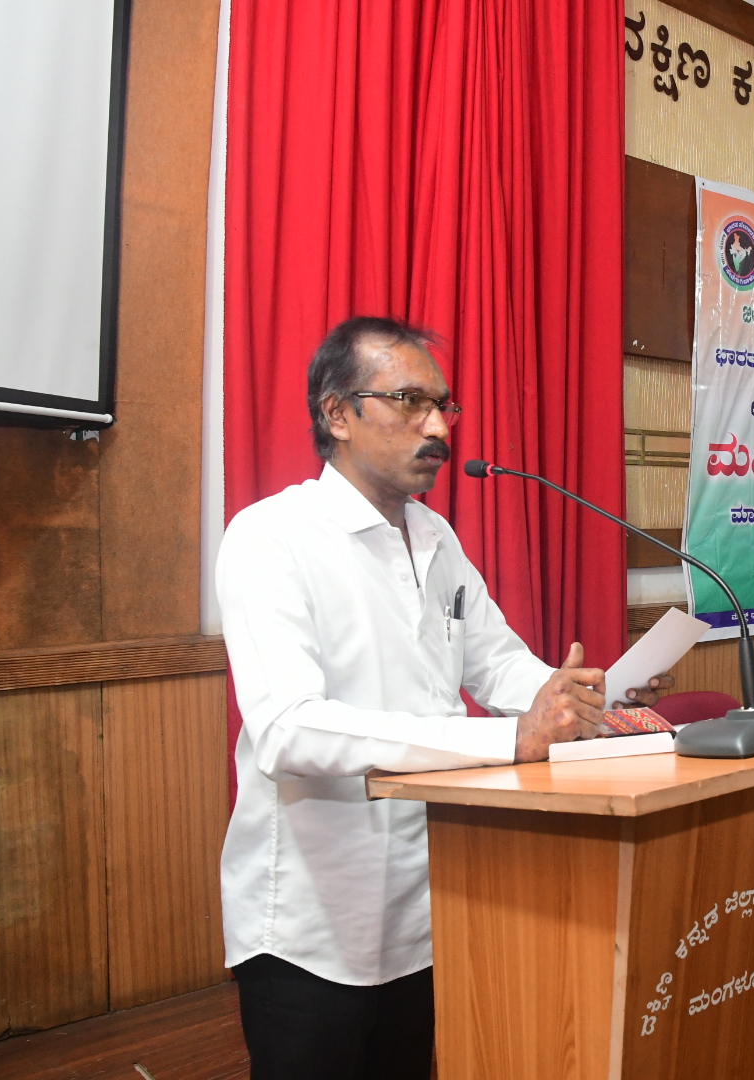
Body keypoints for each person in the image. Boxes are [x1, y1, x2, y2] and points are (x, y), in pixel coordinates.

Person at [216, 317, 674, 1080]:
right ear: (337, 414)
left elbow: (499, 667)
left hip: (433, 900)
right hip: (311, 921)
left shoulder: (437, 539)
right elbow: (290, 731)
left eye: (442, 406)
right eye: (409, 402)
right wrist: (512, 739)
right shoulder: (272, 538)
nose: (437, 427)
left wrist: (584, 698)